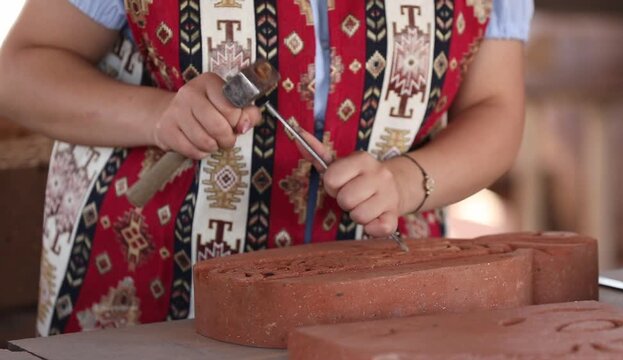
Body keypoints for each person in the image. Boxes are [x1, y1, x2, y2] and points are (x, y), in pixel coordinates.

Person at [0, 0, 533, 336]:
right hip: (149, 292)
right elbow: (20, 70)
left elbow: (496, 110)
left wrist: (407, 181)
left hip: (377, 297)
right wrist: (160, 116)